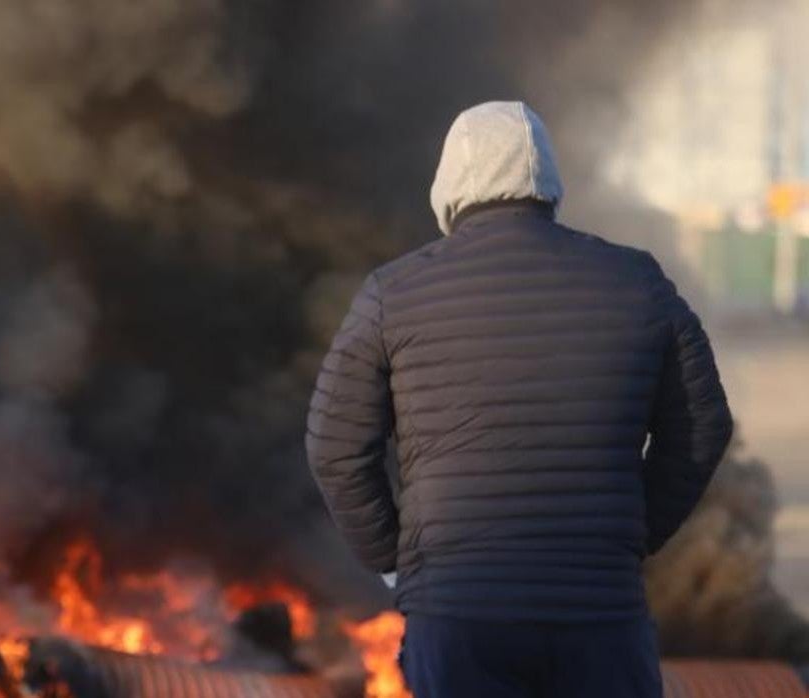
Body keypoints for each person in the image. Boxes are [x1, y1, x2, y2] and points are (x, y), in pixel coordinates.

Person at [305, 101, 733, 698]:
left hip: (459, 617)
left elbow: (335, 447)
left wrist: (399, 562)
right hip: (600, 615)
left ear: (449, 187)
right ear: (550, 187)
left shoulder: (391, 295)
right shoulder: (639, 282)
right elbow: (703, 426)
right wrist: (626, 538)